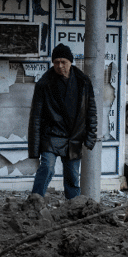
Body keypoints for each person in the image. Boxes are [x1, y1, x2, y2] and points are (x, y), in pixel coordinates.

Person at [27, 43, 98, 200]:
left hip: (74, 137)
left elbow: (91, 112)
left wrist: (91, 137)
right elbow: (36, 117)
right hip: (51, 135)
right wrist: (34, 148)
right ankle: (35, 200)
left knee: (72, 176)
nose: (60, 66)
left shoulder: (83, 82)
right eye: (56, 62)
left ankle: (73, 206)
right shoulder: (44, 84)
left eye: (63, 62)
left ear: (70, 62)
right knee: (46, 167)